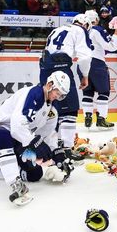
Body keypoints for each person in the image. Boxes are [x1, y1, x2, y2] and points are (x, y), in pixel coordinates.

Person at [0, 72, 73, 205]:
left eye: (61, 95)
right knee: (4, 136)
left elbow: (48, 136)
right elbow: (16, 127)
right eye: (57, 92)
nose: (57, 97)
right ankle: (15, 183)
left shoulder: (51, 112)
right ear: (49, 85)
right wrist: (34, 143)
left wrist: (58, 157)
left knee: (34, 174)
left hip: (19, 140)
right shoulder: (33, 94)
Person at [39, 14, 93, 154]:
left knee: (52, 108)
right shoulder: (80, 30)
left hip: (45, 70)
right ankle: (67, 148)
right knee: (70, 109)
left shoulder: (57, 29)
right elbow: (85, 57)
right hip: (61, 68)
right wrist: (85, 76)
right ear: (85, 24)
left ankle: (51, 145)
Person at [81, 10, 117, 129]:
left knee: (87, 92)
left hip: (82, 62)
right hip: (96, 63)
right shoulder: (97, 29)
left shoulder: (80, 31)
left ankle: (87, 116)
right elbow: (112, 46)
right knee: (103, 92)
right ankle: (101, 119)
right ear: (96, 20)